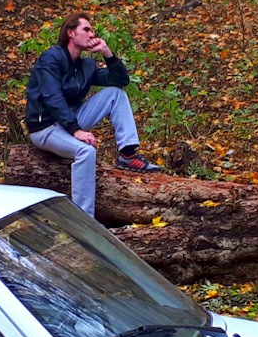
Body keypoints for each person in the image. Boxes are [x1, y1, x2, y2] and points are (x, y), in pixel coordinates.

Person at [24, 14, 159, 215]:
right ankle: (84, 219)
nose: (91, 34)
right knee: (86, 152)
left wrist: (107, 53)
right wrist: (76, 131)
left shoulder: (85, 66)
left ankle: (128, 154)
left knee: (115, 93)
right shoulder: (51, 59)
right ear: (71, 33)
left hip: (70, 121)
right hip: (46, 128)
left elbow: (120, 81)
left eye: (92, 30)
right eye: (86, 29)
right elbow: (52, 97)